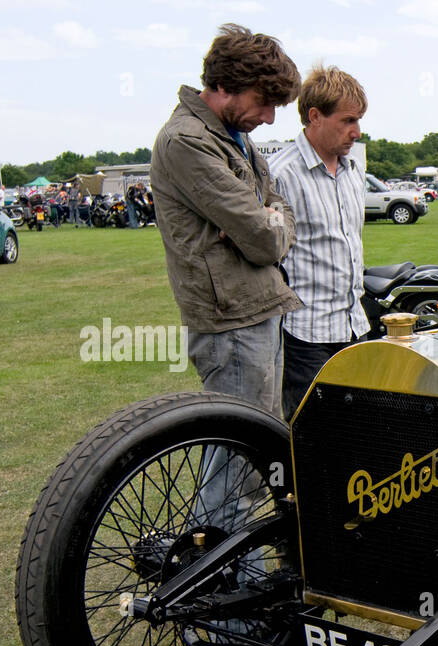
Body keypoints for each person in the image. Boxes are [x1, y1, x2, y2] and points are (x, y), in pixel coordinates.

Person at [150, 22, 301, 414]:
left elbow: (277, 208)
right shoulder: (188, 140)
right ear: (226, 84)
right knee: (234, 459)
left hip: (256, 308)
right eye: (263, 101)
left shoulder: (234, 134)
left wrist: (271, 217)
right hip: (231, 322)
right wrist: (268, 220)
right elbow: (264, 238)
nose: (269, 117)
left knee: (258, 444)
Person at [269, 63, 369, 420]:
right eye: (347, 121)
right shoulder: (281, 174)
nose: (356, 132)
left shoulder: (353, 170)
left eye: (358, 121)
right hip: (305, 337)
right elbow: (268, 256)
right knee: (312, 441)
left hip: (354, 327)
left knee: (357, 434)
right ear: (315, 116)